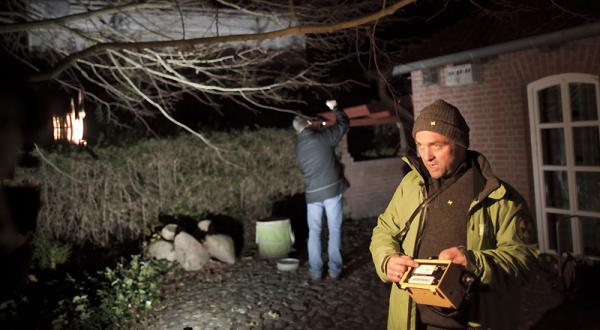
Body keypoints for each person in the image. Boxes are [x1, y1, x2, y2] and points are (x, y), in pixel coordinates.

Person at [370, 99, 538, 329]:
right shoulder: (411, 183)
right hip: (411, 322)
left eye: (436, 145)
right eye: (420, 145)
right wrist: (386, 259)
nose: (426, 156)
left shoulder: (498, 196)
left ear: (459, 144)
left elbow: (523, 260)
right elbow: (384, 230)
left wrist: (473, 263)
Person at [293, 99, 350, 280]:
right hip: (331, 191)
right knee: (334, 230)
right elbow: (343, 124)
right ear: (309, 124)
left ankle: (316, 271)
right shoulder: (322, 138)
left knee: (314, 232)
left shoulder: (299, 147)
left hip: (312, 195)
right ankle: (334, 270)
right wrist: (335, 108)